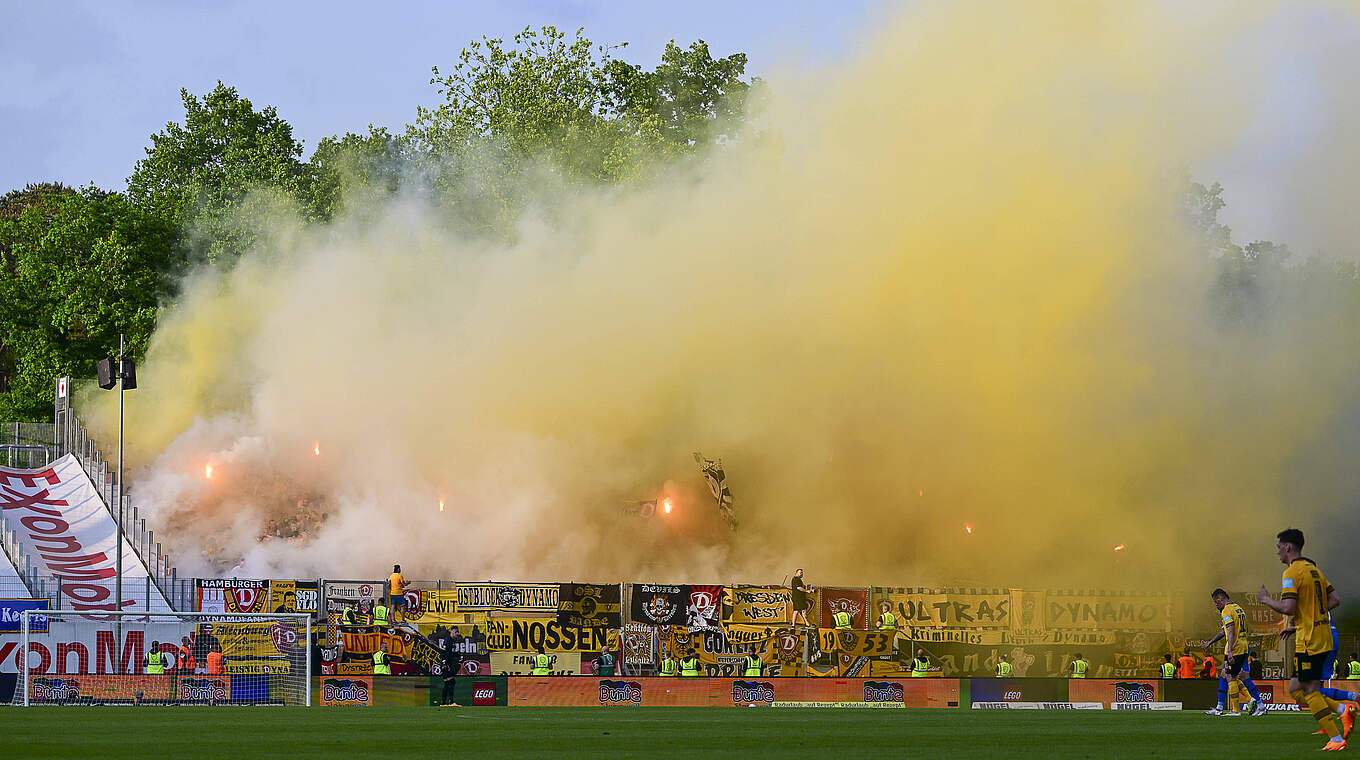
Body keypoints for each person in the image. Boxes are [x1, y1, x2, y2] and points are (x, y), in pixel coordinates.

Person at [1255, 527, 1352, 750]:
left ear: (1287, 547)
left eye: (1278, 547)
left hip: (1310, 641)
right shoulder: (1315, 571)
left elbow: (1288, 608)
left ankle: (1336, 739)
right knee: (1296, 690)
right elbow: (1335, 599)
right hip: (1322, 636)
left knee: (1308, 691)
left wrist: (1266, 600)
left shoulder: (1291, 573)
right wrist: (1310, 616)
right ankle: (1342, 711)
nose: (1277, 552)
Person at [1202, 588, 1265, 716]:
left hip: (1235, 648)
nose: (1216, 605)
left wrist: (1229, 650)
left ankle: (1240, 708)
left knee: (1231, 676)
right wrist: (1210, 642)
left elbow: (1230, 630)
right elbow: (1224, 630)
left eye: (1216, 602)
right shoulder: (1238, 608)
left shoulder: (1226, 611)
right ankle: (1222, 707)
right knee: (1228, 674)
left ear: (1221, 598)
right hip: (1243, 645)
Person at [439, 635, 462, 707]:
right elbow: (444, 652)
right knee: (451, 681)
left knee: (447, 682)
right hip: (446, 664)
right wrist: (444, 663)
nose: (457, 634)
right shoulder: (448, 640)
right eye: (455, 632)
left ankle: (443, 703)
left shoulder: (451, 641)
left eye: (457, 632)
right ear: (451, 632)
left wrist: (458, 656)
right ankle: (451, 702)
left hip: (446, 663)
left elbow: (450, 653)